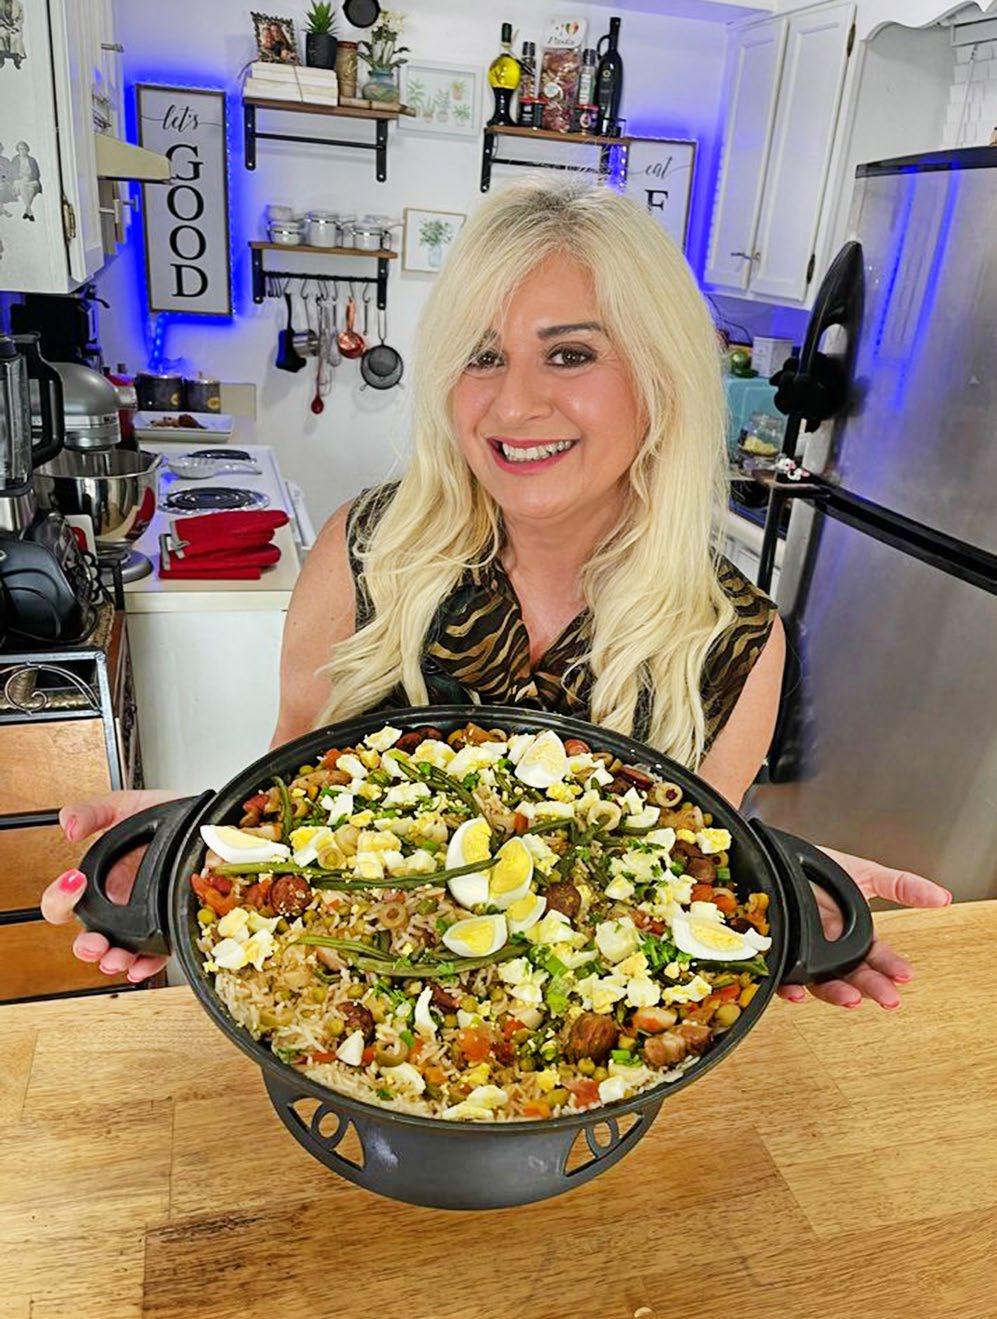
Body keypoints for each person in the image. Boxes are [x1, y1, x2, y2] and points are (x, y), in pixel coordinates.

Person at [42, 177, 950, 999]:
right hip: (349, 1024)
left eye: (569, 355)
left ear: (661, 376)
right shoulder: (365, 553)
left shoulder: (733, 643)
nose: (512, 406)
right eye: (481, 357)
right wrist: (194, 847)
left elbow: (682, 889)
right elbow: (284, 802)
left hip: (566, 1078)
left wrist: (772, 894)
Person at [13, 141, 41, 221]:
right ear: (18, 150)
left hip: (30, 180)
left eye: (24, 149)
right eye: (20, 149)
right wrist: (21, 177)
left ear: (27, 149)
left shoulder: (32, 160)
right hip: (20, 180)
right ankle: (30, 212)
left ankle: (27, 211)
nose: (22, 151)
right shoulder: (15, 160)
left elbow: (37, 173)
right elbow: (12, 172)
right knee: (22, 186)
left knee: (31, 189)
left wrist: (30, 178)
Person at [0, 142, 14, 217]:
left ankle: (2, 210)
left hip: (4, 181)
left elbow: (9, 172)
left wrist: (4, 180)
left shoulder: (5, 160)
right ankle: (2, 210)